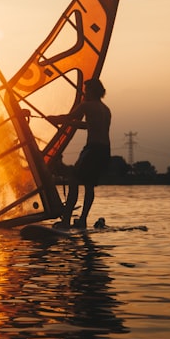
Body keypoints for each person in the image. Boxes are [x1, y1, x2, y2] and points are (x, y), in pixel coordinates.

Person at [47, 78, 111, 229]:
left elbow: (70, 117)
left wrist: (55, 119)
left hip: (92, 149)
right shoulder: (105, 109)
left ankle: (66, 221)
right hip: (104, 150)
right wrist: (65, 122)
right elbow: (86, 125)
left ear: (93, 91)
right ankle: (82, 220)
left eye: (86, 90)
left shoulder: (86, 106)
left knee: (73, 180)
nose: (84, 93)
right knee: (89, 186)